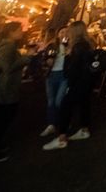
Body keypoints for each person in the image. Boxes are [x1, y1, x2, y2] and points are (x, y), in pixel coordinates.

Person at [0, 21, 30, 164]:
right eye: (19, 30)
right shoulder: (7, 47)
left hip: (5, 87)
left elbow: (1, 67)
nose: (22, 32)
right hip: (6, 88)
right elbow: (8, 68)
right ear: (11, 32)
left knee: (0, 116)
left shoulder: (7, 46)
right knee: (2, 117)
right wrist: (27, 58)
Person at [43, 20, 95, 150]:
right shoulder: (88, 45)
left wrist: (67, 56)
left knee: (66, 106)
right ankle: (84, 129)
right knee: (84, 104)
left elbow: (72, 68)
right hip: (87, 81)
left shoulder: (77, 48)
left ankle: (62, 137)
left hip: (78, 82)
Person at [40, 26, 69, 138]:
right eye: (62, 32)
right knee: (51, 101)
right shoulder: (52, 46)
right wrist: (49, 61)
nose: (64, 34)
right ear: (58, 34)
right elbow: (44, 60)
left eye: (67, 32)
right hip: (51, 75)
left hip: (63, 76)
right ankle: (51, 125)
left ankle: (61, 123)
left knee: (58, 101)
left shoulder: (70, 47)